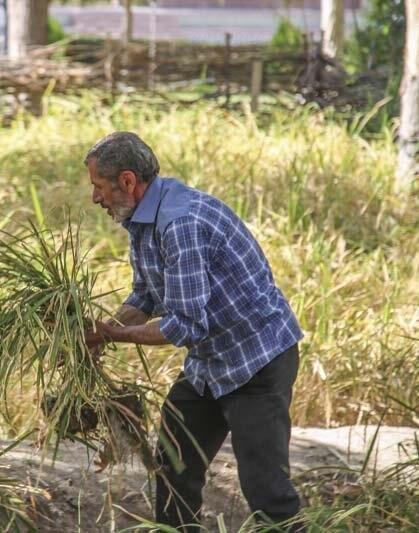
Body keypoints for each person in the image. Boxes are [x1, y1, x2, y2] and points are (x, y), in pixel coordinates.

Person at [83, 131, 305, 531]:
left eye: (98, 187)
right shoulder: (142, 219)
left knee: (266, 490)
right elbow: (145, 294)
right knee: (172, 466)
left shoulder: (180, 223)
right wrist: (108, 329)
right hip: (209, 362)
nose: (95, 197)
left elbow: (185, 324)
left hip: (256, 362)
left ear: (128, 182)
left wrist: (113, 335)